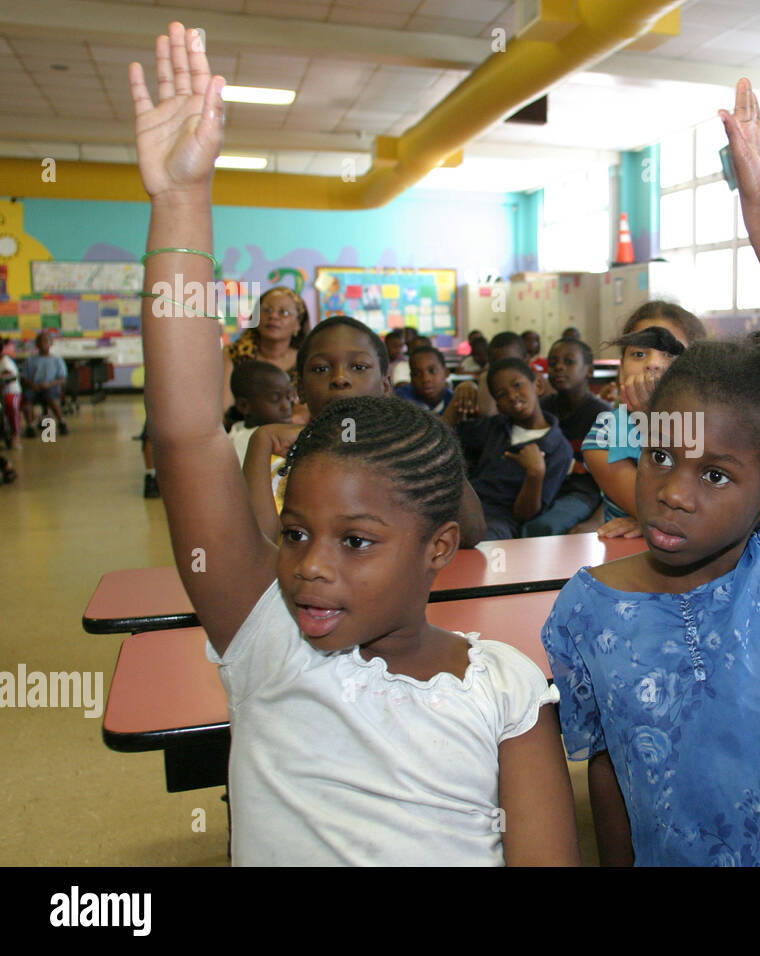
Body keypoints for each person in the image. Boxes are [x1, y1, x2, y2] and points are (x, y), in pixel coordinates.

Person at [126, 21, 578, 865]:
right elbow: (188, 434)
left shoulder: (506, 690)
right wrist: (180, 201)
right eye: (294, 533)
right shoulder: (264, 638)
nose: (311, 564)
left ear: (440, 546)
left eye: (356, 541)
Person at [541, 78, 760, 866]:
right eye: (661, 454)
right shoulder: (586, 612)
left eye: (717, 475)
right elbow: (606, 771)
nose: (672, 488)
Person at [242, 315, 486, 549]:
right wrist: (260, 442)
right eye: (320, 369)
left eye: (358, 366)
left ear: (385, 386)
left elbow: (470, 531)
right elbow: (257, 550)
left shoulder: (405, 454)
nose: (339, 378)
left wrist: (425, 442)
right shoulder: (280, 460)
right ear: (301, 389)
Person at [445, 357, 572, 540]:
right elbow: (441, 438)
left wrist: (535, 474)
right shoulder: (495, 428)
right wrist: (458, 397)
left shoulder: (558, 449)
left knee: (481, 543)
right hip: (462, 507)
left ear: (537, 385)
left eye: (517, 385)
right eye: (502, 394)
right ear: (498, 406)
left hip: (498, 522)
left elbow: (525, 515)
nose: (512, 396)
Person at [582, 325, 684, 526]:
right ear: (621, 373)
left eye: (669, 354)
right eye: (639, 354)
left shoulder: (707, 423)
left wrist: (645, 522)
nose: (653, 364)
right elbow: (660, 516)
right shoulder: (605, 435)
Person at [522, 339, 610, 537]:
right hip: (543, 489)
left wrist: (597, 520)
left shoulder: (603, 416)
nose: (559, 367)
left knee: (544, 528)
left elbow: (618, 477)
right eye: (553, 363)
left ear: (588, 371)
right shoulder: (540, 409)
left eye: (569, 362)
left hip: (582, 494)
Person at [221, 285, 308, 418]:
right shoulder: (233, 354)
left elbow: (306, 412)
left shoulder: (307, 359)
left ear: (298, 325)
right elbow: (224, 410)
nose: (273, 316)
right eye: (266, 310)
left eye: (283, 312)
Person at [226, 360, 293, 465]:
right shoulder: (245, 445)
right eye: (275, 398)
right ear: (244, 406)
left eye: (288, 397)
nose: (286, 406)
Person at [21, 331, 68, 437]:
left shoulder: (56, 360)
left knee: (50, 397)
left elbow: (61, 378)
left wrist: (49, 384)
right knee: (27, 400)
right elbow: (24, 377)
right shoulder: (30, 360)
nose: (43, 344)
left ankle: (61, 422)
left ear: (51, 343)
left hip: (51, 387)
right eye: (40, 341)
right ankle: (30, 426)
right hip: (34, 387)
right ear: (37, 344)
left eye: (45, 341)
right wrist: (32, 385)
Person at [395, 345, 452, 414]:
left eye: (432, 371)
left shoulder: (454, 400)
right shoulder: (402, 398)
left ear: (446, 373)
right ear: (411, 378)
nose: (425, 379)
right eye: (416, 374)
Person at [1, 338, 21, 449]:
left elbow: (11, 376)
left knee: (11, 406)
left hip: (11, 392)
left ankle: (16, 435)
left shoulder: (6, 362)